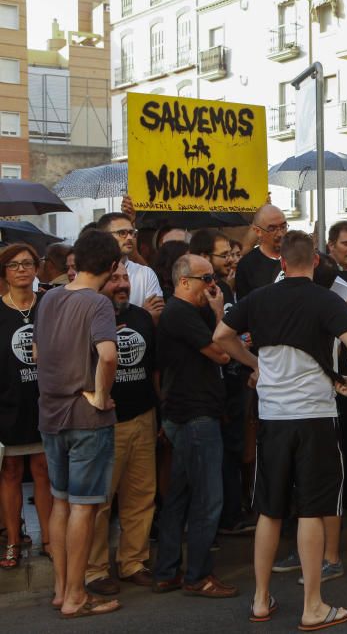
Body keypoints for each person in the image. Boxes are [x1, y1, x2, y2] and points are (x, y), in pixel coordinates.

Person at [215, 229, 347, 629]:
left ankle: (261, 600)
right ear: (315, 262)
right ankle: (312, 606)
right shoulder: (325, 299)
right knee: (313, 510)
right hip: (315, 415)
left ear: (281, 261)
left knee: (269, 509)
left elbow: (221, 336)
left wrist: (253, 364)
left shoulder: (259, 298)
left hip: (273, 415)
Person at [34, 229, 121, 618]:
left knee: (61, 502)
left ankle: (60, 591)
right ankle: (75, 596)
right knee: (84, 507)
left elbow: (36, 350)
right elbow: (106, 355)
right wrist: (101, 396)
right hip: (86, 416)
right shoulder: (98, 304)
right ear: (112, 266)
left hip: (50, 413)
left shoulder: (50, 297)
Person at [151, 254, 237, 598]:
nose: (213, 286)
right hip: (195, 415)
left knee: (180, 496)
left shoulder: (185, 312)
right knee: (206, 499)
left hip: (185, 413)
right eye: (207, 279)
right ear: (184, 281)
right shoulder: (180, 313)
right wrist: (219, 314)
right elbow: (221, 352)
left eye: (214, 278)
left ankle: (167, 571)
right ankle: (197, 576)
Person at [85, 263, 158, 595]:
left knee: (141, 496)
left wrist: (156, 410)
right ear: (101, 282)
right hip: (106, 423)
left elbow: (153, 367)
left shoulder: (142, 318)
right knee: (101, 503)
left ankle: (133, 562)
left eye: (125, 278)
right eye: (113, 279)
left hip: (143, 418)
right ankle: (95, 570)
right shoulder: (92, 318)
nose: (121, 284)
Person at [189, 229, 252, 536]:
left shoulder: (227, 287)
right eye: (223, 255)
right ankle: (221, 520)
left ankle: (232, 512)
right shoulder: (200, 298)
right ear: (204, 258)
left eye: (231, 254)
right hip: (213, 389)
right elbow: (214, 344)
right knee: (216, 457)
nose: (230, 260)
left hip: (235, 382)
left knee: (233, 449)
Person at [0, 245, 51, 570]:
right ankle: (14, 540)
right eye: (14, 265)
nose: (22, 269)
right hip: (8, 403)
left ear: (36, 268)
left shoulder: (47, 305)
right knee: (11, 473)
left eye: (28, 263)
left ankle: (49, 537)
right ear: (4, 271)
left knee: (44, 470)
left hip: (45, 401)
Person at [98, 212, 164, 323]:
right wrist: (143, 313)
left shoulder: (146, 273)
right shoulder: (91, 273)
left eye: (132, 232)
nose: (129, 237)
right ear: (104, 237)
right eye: (122, 233)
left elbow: (157, 317)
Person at [236, 205, 287, 299]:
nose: (280, 233)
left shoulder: (298, 256)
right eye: (272, 229)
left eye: (283, 227)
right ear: (258, 231)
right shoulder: (247, 265)